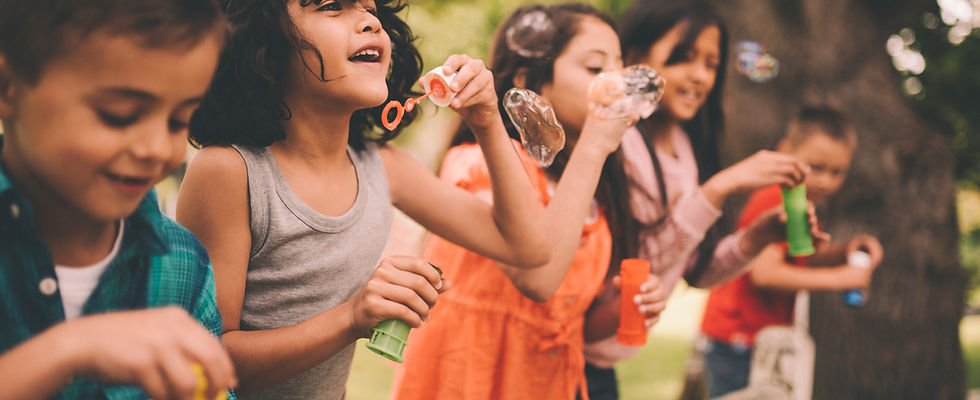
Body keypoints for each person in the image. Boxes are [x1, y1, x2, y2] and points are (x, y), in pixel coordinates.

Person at [177, 0, 558, 398]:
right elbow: (205, 359)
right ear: (263, 40)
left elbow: (527, 247)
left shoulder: (382, 167)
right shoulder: (229, 171)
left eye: (371, 8)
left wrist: (487, 120)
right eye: (331, 6)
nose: (370, 21)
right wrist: (351, 318)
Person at [390, 4, 665, 399]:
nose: (617, 84)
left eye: (620, 68)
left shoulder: (586, 190)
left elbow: (570, 322)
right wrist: (594, 147)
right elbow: (537, 279)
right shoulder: (480, 166)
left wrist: (624, 304)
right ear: (527, 79)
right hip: (470, 382)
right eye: (594, 68)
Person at [0, 1, 237, 399]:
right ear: (8, 88)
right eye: (119, 115)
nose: (157, 148)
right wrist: (67, 350)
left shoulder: (183, 265)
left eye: (179, 121)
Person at [581, 2, 818, 398]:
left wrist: (758, 237)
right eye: (683, 58)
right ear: (635, 59)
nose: (700, 76)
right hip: (570, 352)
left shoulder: (688, 151)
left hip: (603, 365)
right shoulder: (619, 143)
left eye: (711, 64)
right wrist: (716, 191)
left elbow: (696, 269)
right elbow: (642, 266)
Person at [699, 106, 883, 398]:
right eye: (817, 167)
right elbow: (766, 273)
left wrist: (844, 252)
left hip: (759, 339)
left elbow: (801, 257)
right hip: (738, 338)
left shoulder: (800, 200)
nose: (826, 180)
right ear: (785, 153)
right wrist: (841, 278)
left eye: (838, 172)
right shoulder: (775, 198)